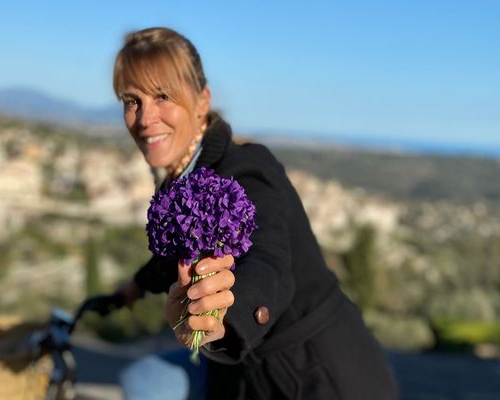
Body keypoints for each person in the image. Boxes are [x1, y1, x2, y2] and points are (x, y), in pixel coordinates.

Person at [110, 27, 398, 400]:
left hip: (317, 376)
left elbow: (268, 262)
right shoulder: (182, 176)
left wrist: (223, 312)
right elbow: (174, 258)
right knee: (145, 379)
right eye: (132, 101)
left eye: (163, 96)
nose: (146, 117)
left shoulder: (247, 168)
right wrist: (136, 285)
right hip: (243, 374)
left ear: (202, 101)